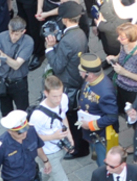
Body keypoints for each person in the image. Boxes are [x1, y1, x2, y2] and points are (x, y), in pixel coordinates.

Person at [28, 75, 86, 181]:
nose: (58, 99)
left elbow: (63, 117)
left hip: (60, 146)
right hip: (48, 153)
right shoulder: (38, 115)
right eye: (54, 96)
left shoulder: (64, 99)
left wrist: (69, 135)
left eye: (60, 94)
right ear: (45, 93)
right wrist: (53, 136)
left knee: (47, 172)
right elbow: (31, 137)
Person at [44, 4, 88, 155]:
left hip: (69, 84)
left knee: (71, 118)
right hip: (78, 80)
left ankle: (78, 149)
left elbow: (57, 66)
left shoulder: (67, 40)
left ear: (65, 19)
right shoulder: (80, 33)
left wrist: (49, 48)